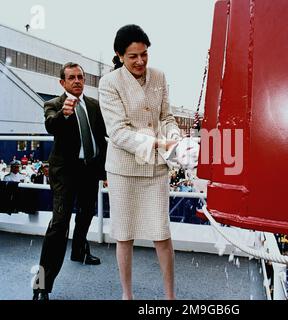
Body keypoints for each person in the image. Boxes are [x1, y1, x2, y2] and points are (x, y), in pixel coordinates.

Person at [98, 24, 180, 300]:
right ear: (120, 55)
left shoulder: (159, 77)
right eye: (133, 56)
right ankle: (127, 295)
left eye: (144, 54)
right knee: (125, 234)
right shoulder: (109, 83)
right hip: (123, 169)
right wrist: (157, 143)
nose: (141, 61)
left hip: (156, 169)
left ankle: (170, 297)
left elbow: (167, 118)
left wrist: (174, 138)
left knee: (161, 233)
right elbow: (117, 132)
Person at [32, 62, 108, 300]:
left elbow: (102, 138)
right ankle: (41, 286)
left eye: (80, 77)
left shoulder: (94, 106)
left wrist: (105, 172)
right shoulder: (53, 104)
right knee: (59, 225)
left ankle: (79, 251)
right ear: (62, 82)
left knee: (86, 214)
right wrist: (64, 114)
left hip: (89, 170)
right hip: (65, 173)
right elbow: (50, 125)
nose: (77, 81)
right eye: (72, 78)